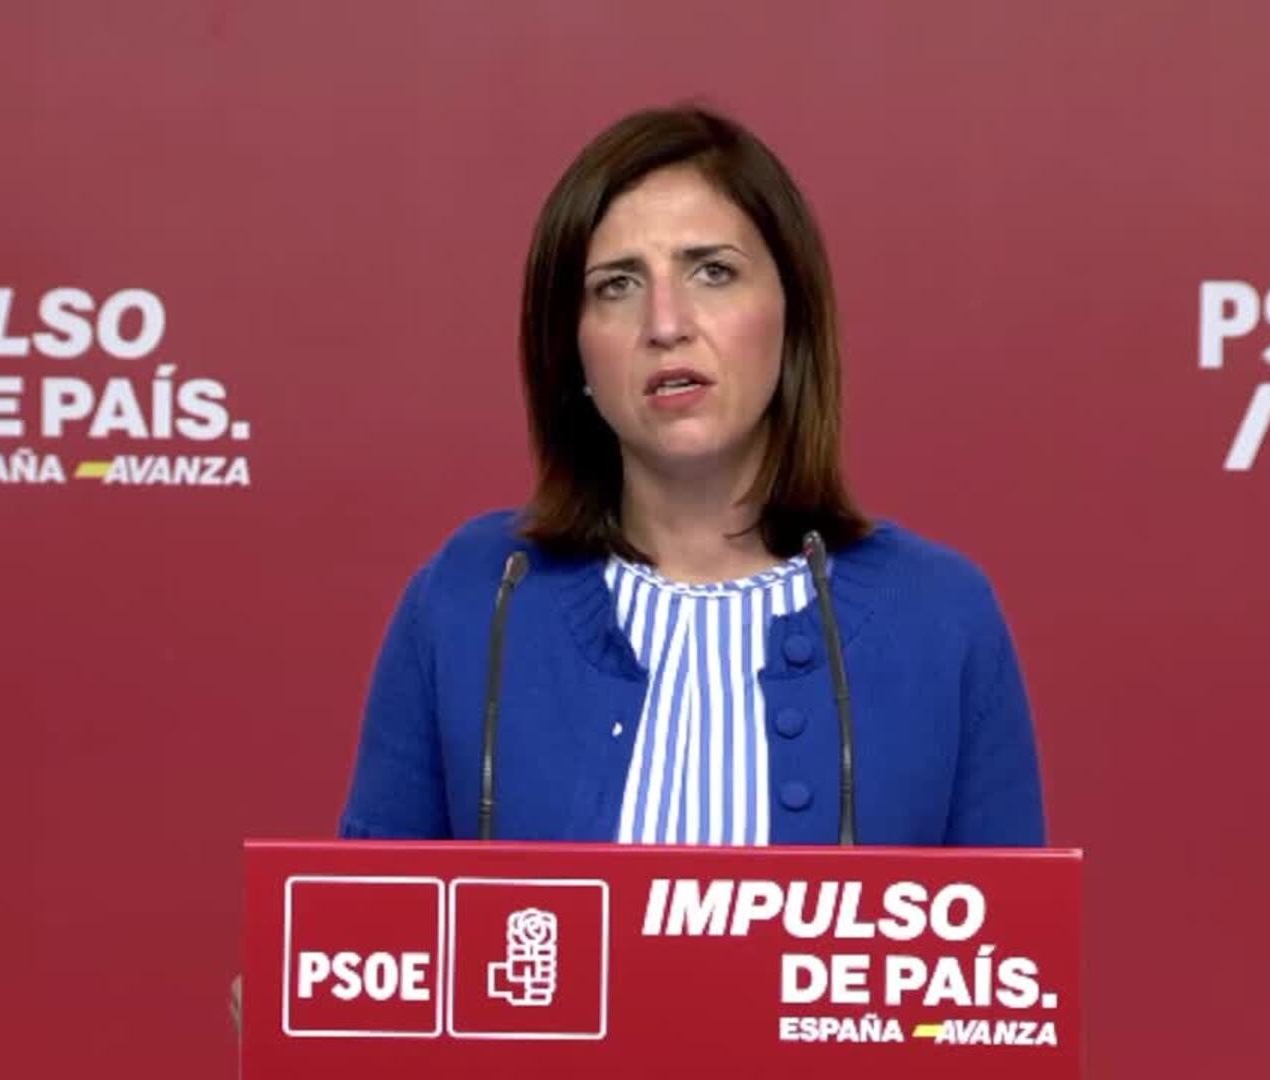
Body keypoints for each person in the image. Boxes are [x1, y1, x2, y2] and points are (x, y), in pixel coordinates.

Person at [338, 105, 1043, 846]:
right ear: (572, 349)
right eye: (616, 285)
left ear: (793, 315)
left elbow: (1007, 924)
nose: (666, 323)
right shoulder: (476, 597)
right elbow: (370, 912)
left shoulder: (942, 617)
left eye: (713, 272)